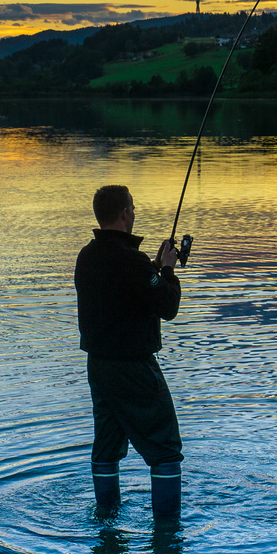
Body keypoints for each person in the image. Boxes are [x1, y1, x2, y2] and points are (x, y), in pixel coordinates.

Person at [75, 184, 183, 518]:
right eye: (133, 208)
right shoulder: (133, 261)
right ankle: (167, 533)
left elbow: (120, 292)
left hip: (99, 367)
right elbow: (167, 305)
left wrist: (151, 270)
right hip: (134, 368)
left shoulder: (86, 257)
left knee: (106, 448)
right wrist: (166, 269)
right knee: (165, 450)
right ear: (124, 213)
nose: (134, 214)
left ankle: (106, 517)